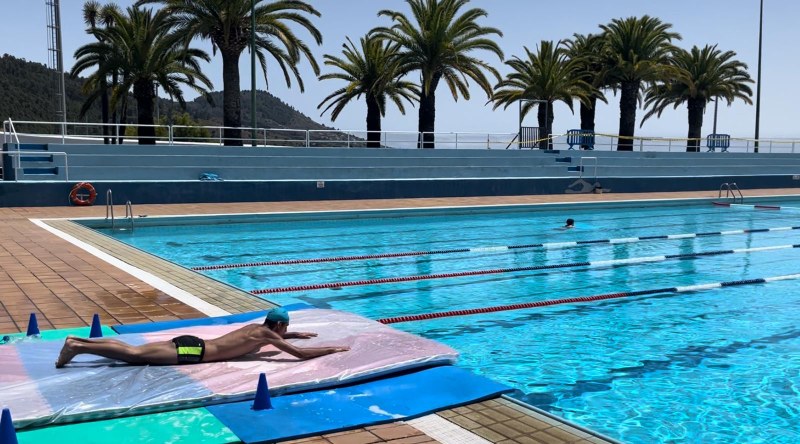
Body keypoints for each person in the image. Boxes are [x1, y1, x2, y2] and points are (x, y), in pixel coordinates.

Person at [55, 308, 349, 368]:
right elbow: (297, 353)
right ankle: (78, 347)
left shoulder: (257, 328)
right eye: (288, 329)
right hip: (193, 353)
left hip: (192, 343)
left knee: (134, 350)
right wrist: (332, 349)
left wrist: (297, 332)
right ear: (279, 327)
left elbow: (274, 338)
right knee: (133, 356)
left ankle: (77, 342)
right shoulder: (266, 335)